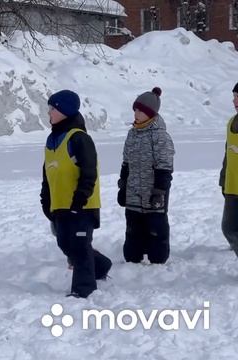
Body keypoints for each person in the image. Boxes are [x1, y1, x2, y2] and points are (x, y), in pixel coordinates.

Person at [40, 90, 112, 298]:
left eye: (53, 109)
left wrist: (81, 197)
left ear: (64, 111)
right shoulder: (52, 141)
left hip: (82, 206)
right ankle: (100, 265)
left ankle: (83, 291)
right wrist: (46, 200)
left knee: (80, 247)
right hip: (60, 206)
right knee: (66, 244)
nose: (49, 113)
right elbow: (48, 175)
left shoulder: (79, 138)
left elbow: (89, 171)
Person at [117, 87, 174, 264]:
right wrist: (123, 186)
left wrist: (159, 191)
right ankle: (135, 253)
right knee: (133, 231)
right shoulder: (132, 134)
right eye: (135, 109)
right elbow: (126, 162)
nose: (136, 113)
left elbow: (164, 167)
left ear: (150, 113)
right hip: (134, 192)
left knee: (156, 228)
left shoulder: (160, 136)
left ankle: (158, 254)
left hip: (153, 193)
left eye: (140, 110)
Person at [220, 82, 238, 255]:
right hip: (232, 186)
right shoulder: (231, 122)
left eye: (237, 97)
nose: (234, 101)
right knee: (229, 228)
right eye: (234, 97)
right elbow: (228, 155)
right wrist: (223, 179)